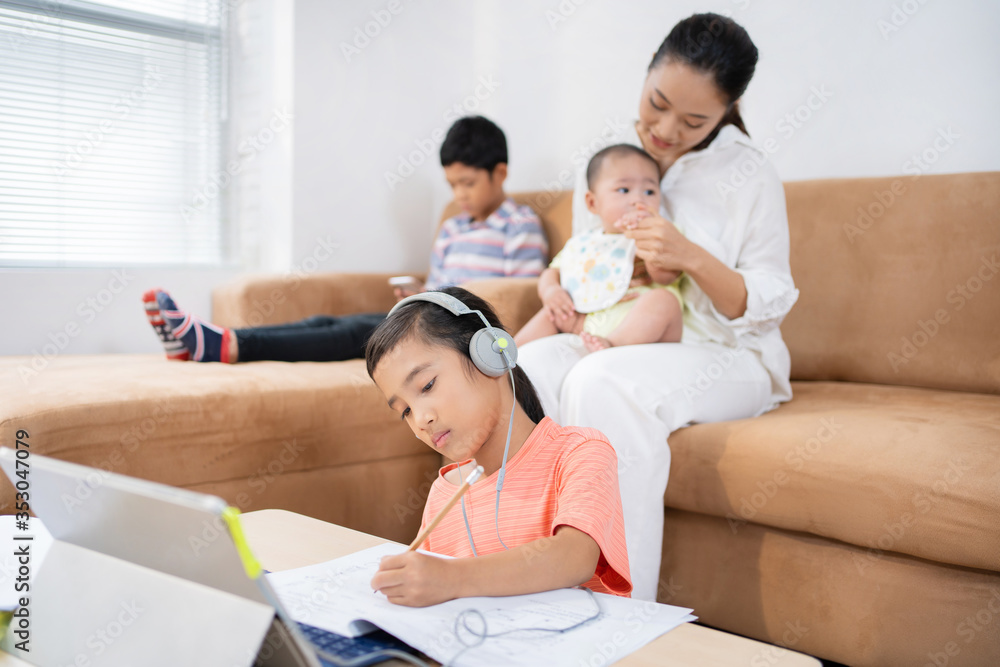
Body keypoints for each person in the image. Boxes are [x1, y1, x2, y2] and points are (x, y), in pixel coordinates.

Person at [516, 13, 800, 602]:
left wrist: (691, 256)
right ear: (645, 76)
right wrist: (566, 293)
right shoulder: (607, 163)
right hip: (624, 329)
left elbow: (769, 301)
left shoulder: (750, 173)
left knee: (605, 382)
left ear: (728, 110)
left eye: (694, 120)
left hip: (728, 354)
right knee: (529, 371)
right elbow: (586, 266)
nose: (666, 129)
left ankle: (617, 610)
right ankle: (522, 578)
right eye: (657, 103)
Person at [144, 115, 548, 363]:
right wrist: (419, 292)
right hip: (431, 315)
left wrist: (445, 304)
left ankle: (222, 346)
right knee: (327, 322)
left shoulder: (519, 225)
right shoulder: (453, 227)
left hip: (461, 333)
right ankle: (217, 339)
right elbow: (437, 283)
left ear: (500, 173)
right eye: (452, 185)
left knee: (353, 333)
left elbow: (517, 301)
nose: (459, 194)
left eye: (468, 183)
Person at [365, 286, 631, 607]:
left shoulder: (580, 452)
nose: (420, 419)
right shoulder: (445, 492)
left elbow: (574, 557)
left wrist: (451, 578)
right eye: (405, 411)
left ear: (490, 354)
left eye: (427, 385)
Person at [514, 144, 684, 352]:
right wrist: (551, 291)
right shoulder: (584, 242)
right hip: (580, 317)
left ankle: (612, 344)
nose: (638, 200)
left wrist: (646, 243)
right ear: (593, 203)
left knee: (665, 301)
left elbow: (666, 277)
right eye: (624, 190)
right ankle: (510, 355)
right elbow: (553, 271)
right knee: (551, 313)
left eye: (649, 191)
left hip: (632, 320)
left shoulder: (657, 235)